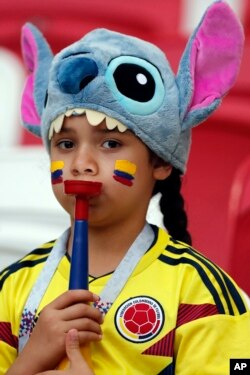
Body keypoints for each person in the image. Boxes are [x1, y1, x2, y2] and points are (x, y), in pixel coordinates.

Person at [1, 1, 250, 374]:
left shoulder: (203, 294)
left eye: (110, 143)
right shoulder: (11, 284)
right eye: (66, 144)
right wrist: (29, 361)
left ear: (162, 161)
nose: (81, 163)